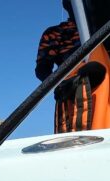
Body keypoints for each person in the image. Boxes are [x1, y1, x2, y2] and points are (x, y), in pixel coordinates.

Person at [35, 0, 82, 133]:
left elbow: (42, 70)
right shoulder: (54, 33)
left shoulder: (109, 25)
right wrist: (63, 84)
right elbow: (42, 71)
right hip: (71, 99)